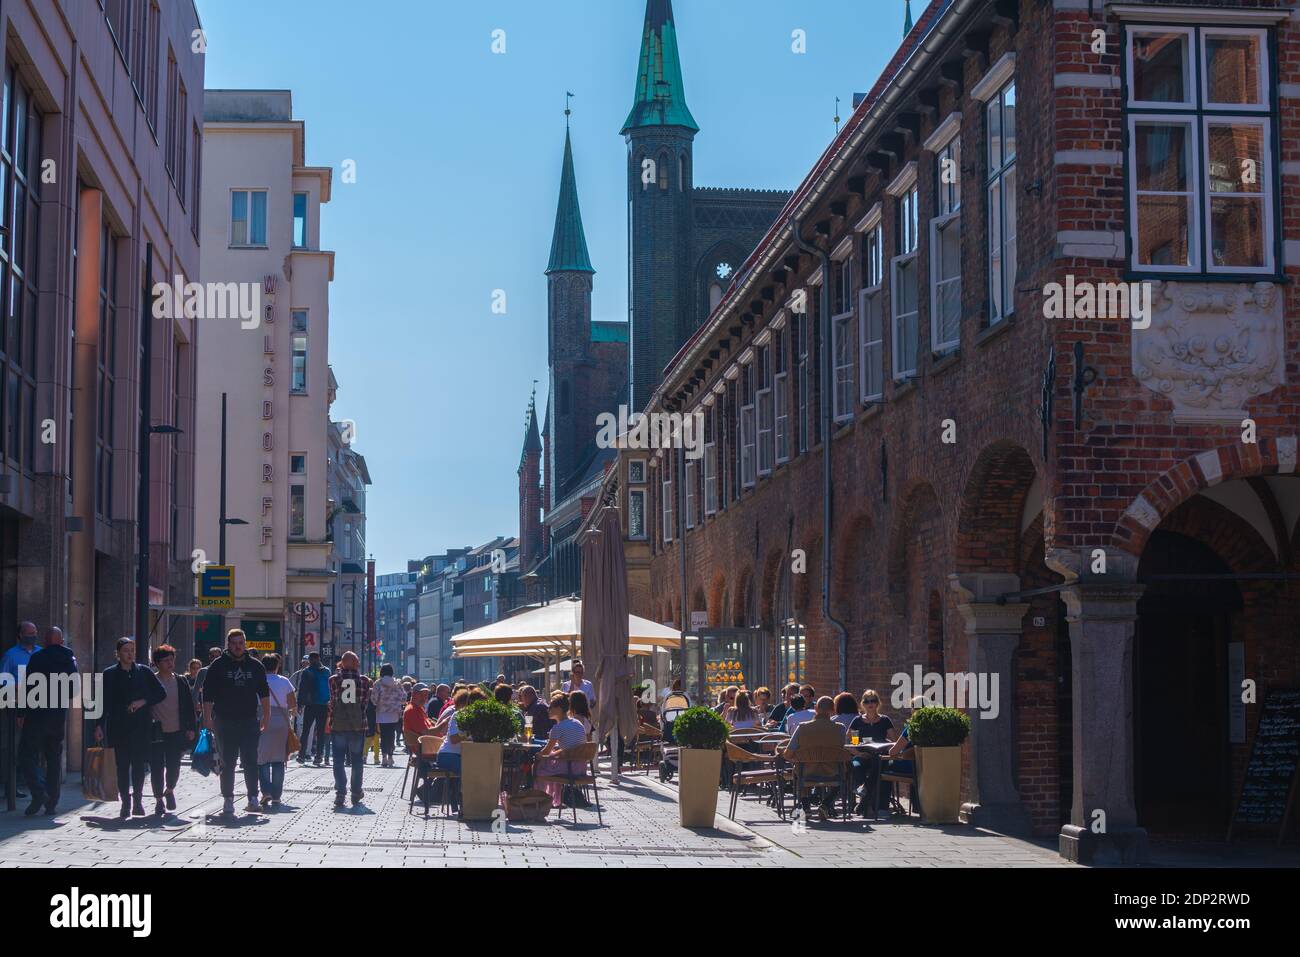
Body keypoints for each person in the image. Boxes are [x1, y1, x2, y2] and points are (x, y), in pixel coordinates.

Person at [201, 629, 271, 818]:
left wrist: (266, 714)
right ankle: (228, 799)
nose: (238, 646)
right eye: (234, 643)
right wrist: (207, 718)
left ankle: (253, 798)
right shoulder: (218, 665)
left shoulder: (255, 666)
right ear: (228, 645)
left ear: (245, 644)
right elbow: (207, 694)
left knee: (250, 761)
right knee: (227, 762)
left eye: (241, 643)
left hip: (249, 720)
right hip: (224, 720)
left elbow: (264, 692)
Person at [96, 637, 166, 819]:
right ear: (118, 653)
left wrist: (143, 701)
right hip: (118, 726)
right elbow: (103, 701)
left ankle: (137, 801)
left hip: (141, 726)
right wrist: (99, 725)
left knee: (138, 765)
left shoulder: (144, 671)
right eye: (126, 650)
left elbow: (160, 693)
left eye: (132, 650)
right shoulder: (110, 674)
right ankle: (125, 802)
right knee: (121, 766)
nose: (130, 654)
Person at [18, 626, 77, 816]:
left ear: (44, 641)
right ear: (61, 641)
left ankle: (39, 792)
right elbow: (73, 690)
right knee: (53, 760)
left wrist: (21, 713)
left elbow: (28, 688)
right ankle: (51, 803)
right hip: (57, 717)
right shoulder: (69, 660)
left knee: (27, 755)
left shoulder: (37, 658)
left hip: (36, 715)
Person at [149, 644, 197, 816]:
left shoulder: (180, 681)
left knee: (174, 766)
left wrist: (191, 727)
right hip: (157, 732)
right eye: (166, 661)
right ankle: (158, 800)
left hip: (176, 730)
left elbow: (189, 706)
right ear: (157, 663)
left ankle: (169, 789)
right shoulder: (151, 681)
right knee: (156, 767)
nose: (170, 663)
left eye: (172, 659)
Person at [779, 695, 847, 817]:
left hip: (807, 771)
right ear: (833, 710)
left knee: (798, 770)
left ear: (815, 708)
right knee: (847, 772)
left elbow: (788, 754)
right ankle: (826, 803)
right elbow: (844, 750)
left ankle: (805, 806)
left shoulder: (803, 727)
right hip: (833, 772)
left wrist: (794, 757)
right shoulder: (840, 729)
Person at [327, 651, 371, 808]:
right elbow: (364, 703)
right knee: (357, 760)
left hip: (338, 724)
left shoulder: (334, 680)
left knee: (338, 760)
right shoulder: (364, 681)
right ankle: (356, 792)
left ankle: (340, 792)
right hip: (357, 725)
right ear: (357, 663)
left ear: (342, 663)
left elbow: (332, 702)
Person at [256, 653, 296, 809]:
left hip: (262, 719)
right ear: (277, 666)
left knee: (263, 758)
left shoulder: (258, 681)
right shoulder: (284, 681)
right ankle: (277, 796)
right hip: (281, 721)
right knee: (279, 759)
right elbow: (292, 703)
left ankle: (266, 791)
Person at [535, 693, 588, 809]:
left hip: (569, 768)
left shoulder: (557, 728)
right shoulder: (577, 723)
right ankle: (556, 800)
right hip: (581, 767)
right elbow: (574, 746)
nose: (548, 710)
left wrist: (537, 755)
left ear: (559, 709)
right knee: (553, 764)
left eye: (550, 707)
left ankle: (541, 801)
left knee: (539, 768)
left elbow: (545, 751)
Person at [296, 652, 331, 766]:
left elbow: (302, 689)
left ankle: (301, 755)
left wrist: (300, 704)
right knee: (320, 732)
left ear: (311, 660)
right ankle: (319, 756)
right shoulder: (327, 671)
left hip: (310, 705)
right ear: (319, 658)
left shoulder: (307, 671)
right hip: (323, 705)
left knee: (306, 731)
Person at [370, 663, 405, 767]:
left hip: (382, 712)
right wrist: (396, 703)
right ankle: (390, 756)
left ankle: (384, 757)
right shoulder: (398, 683)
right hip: (394, 713)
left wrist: (377, 703)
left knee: (383, 735)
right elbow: (403, 697)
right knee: (392, 735)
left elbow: (374, 698)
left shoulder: (378, 683)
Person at [0, 620, 39, 685]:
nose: (34, 636)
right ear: (21, 635)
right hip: (18, 693)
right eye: (30, 634)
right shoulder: (10, 655)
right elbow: (2, 678)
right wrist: (15, 686)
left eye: (35, 633)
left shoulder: (41, 652)